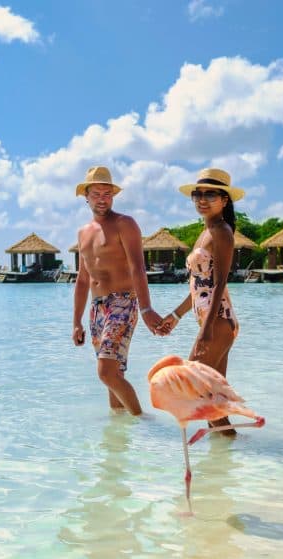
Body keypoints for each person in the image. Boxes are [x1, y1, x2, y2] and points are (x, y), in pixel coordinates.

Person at [72, 165, 165, 416]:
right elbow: (82, 279)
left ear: (113, 196)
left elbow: (138, 268)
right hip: (97, 308)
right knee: (113, 375)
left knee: (105, 371)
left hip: (123, 302)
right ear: (86, 196)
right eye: (96, 194)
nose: (102, 199)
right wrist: (76, 322)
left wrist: (146, 308)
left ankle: (143, 422)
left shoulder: (125, 224)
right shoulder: (83, 233)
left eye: (107, 193)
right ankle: (120, 437)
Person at [160, 167, 244, 436]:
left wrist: (206, 329)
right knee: (212, 399)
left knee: (192, 386)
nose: (202, 199)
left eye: (211, 194)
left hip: (217, 323)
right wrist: (176, 315)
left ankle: (230, 452)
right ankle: (227, 457)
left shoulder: (222, 231)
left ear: (225, 200)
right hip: (213, 321)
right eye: (198, 194)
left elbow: (220, 283)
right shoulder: (206, 231)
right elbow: (200, 286)